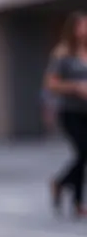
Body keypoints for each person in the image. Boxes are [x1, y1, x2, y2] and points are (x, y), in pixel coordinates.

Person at [45, 11, 87, 218]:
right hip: (70, 112)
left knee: (83, 156)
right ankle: (70, 194)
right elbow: (51, 83)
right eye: (82, 26)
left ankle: (65, 188)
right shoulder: (63, 53)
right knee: (83, 152)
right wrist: (76, 87)